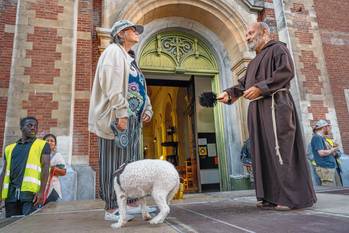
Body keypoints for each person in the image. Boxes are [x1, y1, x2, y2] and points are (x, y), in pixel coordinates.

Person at [217, 22, 316, 210]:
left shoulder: (279, 49)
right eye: (246, 34)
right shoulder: (253, 62)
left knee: (281, 149)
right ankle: (270, 195)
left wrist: (261, 88)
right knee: (262, 151)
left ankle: (291, 198)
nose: (247, 37)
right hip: (257, 110)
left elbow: (286, 73)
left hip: (276, 106)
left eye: (250, 33)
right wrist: (229, 93)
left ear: (265, 32)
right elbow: (243, 85)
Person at [88, 19, 153, 221]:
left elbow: (140, 87)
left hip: (133, 120)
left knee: (129, 163)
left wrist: (147, 108)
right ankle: (111, 207)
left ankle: (130, 202)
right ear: (121, 33)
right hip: (117, 118)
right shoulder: (113, 52)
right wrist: (121, 113)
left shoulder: (130, 58)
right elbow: (112, 84)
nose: (136, 32)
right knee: (113, 162)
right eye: (132, 30)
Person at [0, 117, 50, 217]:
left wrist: (41, 192)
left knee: (27, 226)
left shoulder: (42, 145)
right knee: (11, 225)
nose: (33, 128)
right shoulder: (9, 148)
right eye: (29, 125)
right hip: (11, 194)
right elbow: (4, 172)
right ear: (21, 127)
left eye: (35, 126)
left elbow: (45, 168)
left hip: (30, 194)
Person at [311, 119, 340, 186]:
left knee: (337, 191)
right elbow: (321, 153)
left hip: (330, 167)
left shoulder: (322, 138)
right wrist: (333, 149)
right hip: (326, 168)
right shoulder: (317, 138)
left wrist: (334, 151)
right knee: (331, 192)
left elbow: (328, 152)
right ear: (324, 127)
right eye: (328, 127)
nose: (329, 129)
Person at [43, 134, 66, 203]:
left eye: (52, 141)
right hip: (40, 188)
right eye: (47, 140)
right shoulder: (39, 155)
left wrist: (52, 169)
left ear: (55, 144)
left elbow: (63, 172)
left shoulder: (57, 156)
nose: (49, 142)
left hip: (52, 188)